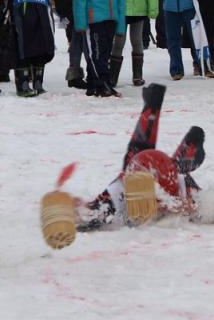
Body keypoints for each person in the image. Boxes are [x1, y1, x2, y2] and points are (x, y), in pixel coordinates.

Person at [71, 84, 205, 231]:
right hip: (143, 166)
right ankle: (154, 107)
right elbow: (92, 216)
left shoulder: (182, 182)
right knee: (136, 152)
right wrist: (77, 210)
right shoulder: (120, 187)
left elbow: (210, 209)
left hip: (167, 171)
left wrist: (184, 208)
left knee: (158, 157)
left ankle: (158, 112)